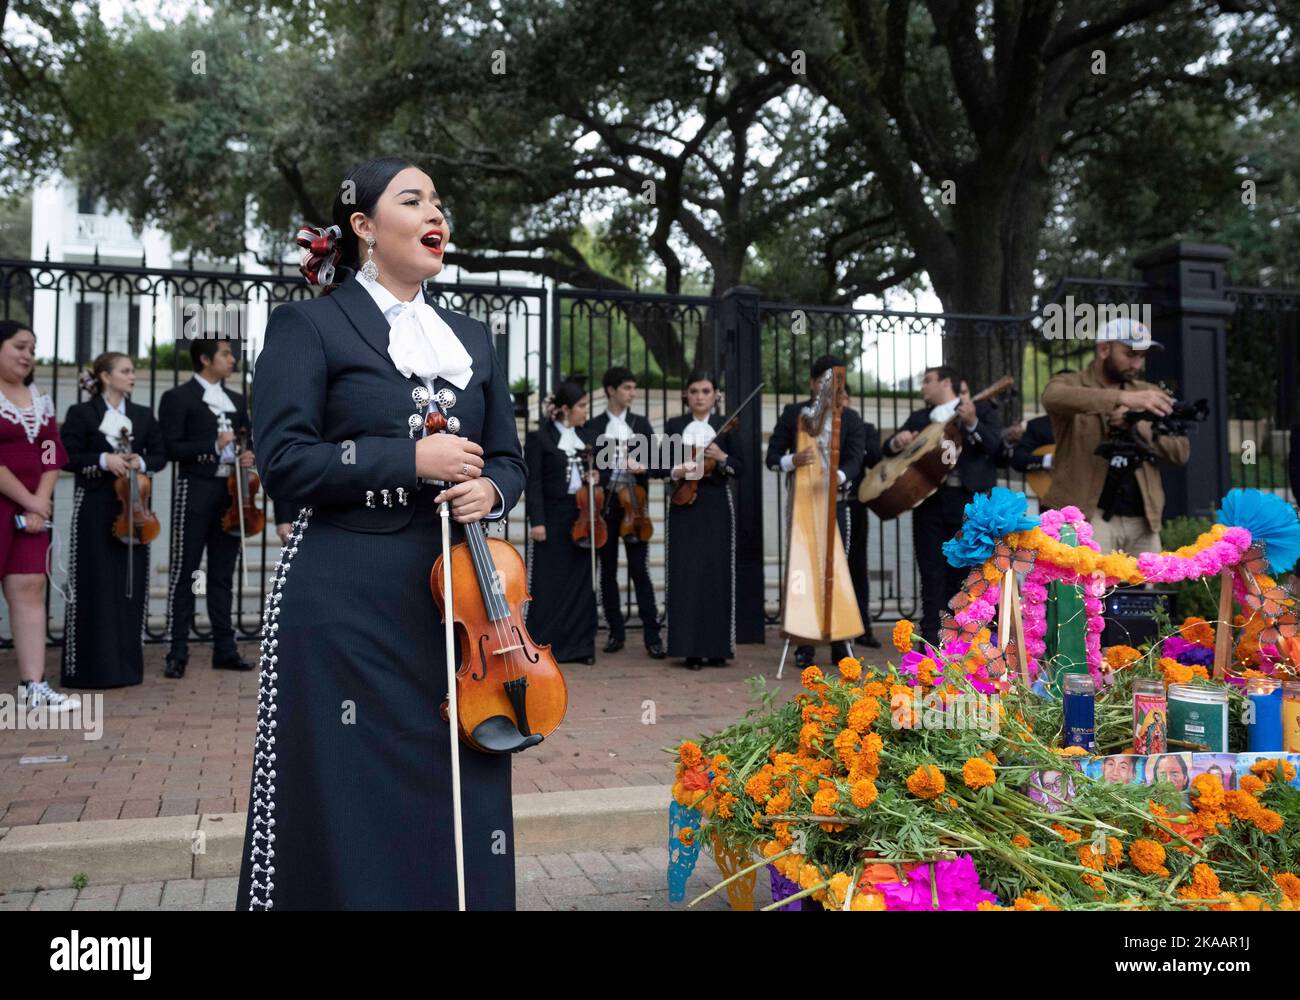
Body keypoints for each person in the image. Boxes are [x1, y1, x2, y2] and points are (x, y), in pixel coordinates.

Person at [235, 156, 526, 910]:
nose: (436, 213)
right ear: (364, 227)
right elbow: (287, 463)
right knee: (355, 794)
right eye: (412, 199)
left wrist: (491, 488)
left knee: (463, 783)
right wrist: (410, 457)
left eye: (438, 200)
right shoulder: (309, 325)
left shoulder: (471, 337)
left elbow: (509, 460)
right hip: (345, 600)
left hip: (462, 607)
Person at [59, 353, 167, 688]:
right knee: (94, 584)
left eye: (133, 371)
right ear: (106, 377)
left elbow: (161, 456)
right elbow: (68, 457)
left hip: (135, 510)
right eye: (125, 371)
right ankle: (90, 670)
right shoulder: (82, 413)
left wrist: (141, 461)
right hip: (95, 507)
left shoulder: (142, 415)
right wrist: (105, 459)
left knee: (128, 587)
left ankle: (126, 669)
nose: (132, 376)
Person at [1041, 318, 1190, 554]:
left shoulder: (1149, 392)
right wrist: (1120, 399)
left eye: (1142, 356)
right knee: (1092, 590)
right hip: (1089, 516)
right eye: (1130, 354)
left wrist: (1136, 424)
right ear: (1104, 349)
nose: (1137, 364)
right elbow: (1053, 396)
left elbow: (1180, 452)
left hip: (1144, 520)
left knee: (1148, 591)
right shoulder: (1071, 383)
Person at [157, 339, 258, 678]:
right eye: (226, 354)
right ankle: (177, 651)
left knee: (222, 574)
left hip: (231, 494)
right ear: (204, 359)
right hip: (196, 489)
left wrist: (248, 453)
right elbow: (170, 448)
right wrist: (212, 446)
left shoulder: (236, 399)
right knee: (185, 571)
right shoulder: (177, 398)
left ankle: (225, 650)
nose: (233, 359)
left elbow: (249, 439)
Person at [884, 365, 1002, 646]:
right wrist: (896, 441)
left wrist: (972, 423)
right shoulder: (920, 418)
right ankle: (931, 642)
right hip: (930, 503)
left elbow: (997, 448)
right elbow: (886, 450)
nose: (923, 387)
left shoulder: (979, 410)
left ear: (946, 382)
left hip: (969, 504)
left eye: (928, 381)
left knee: (971, 573)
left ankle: (973, 641)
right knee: (932, 572)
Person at [766, 355, 866, 669]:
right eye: (822, 380)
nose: (826, 387)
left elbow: (854, 461)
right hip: (802, 500)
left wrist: (835, 475)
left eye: (833, 382)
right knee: (802, 570)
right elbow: (771, 457)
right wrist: (792, 461)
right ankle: (804, 643)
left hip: (836, 501)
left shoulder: (850, 419)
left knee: (837, 568)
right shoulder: (793, 414)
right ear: (812, 383)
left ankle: (840, 641)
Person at [0, 321, 75, 710]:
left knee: (29, 587)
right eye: (18, 346)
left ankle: (34, 686)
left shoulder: (38, 396)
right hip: (9, 502)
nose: (27, 355)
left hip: (32, 506)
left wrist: (40, 500)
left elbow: (51, 449)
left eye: (32, 348)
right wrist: (29, 499)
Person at [584, 366, 664, 658]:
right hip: (606, 506)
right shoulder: (593, 426)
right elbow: (588, 467)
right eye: (627, 388)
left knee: (639, 570)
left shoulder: (640, 424)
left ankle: (652, 634)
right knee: (607, 570)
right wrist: (599, 475)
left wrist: (643, 466)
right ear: (611, 390)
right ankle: (615, 631)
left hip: (635, 504)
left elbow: (659, 464)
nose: (632, 393)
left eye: (633, 388)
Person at [665, 371, 743, 669]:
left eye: (705, 391)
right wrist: (676, 472)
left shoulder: (726, 428)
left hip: (715, 506)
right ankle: (689, 650)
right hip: (684, 505)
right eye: (694, 391)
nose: (699, 396)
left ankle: (716, 647)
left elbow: (741, 466)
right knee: (686, 575)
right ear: (687, 395)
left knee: (715, 573)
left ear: (715, 395)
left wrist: (722, 457)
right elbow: (661, 468)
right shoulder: (674, 426)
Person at [524, 380, 598, 665]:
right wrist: (537, 521)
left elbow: (598, 472)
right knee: (549, 582)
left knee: (581, 584)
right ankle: (546, 644)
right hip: (552, 518)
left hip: (581, 516)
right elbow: (535, 483)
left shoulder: (587, 436)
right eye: (581, 406)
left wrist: (595, 477)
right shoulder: (539, 439)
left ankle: (580, 646)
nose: (586, 412)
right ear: (565, 409)